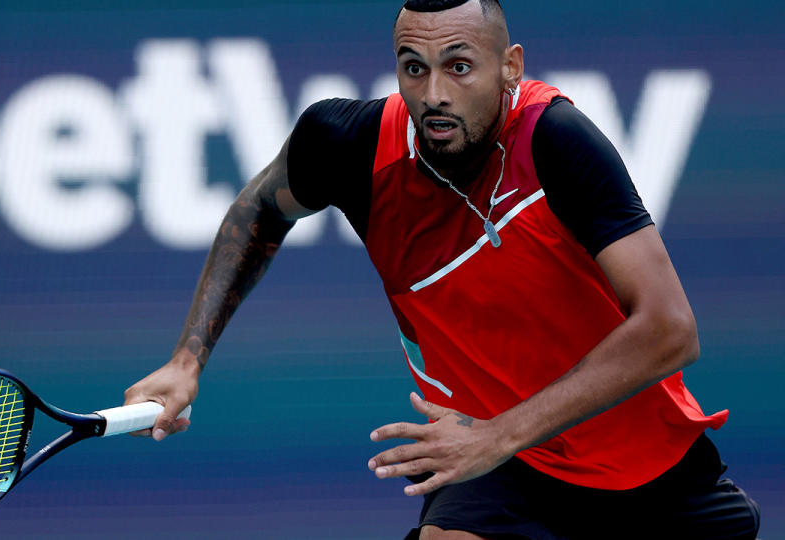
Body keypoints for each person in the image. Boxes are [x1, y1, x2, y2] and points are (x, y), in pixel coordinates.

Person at [121, 0, 761, 538]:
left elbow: (670, 329)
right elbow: (259, 210)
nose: (434, 95)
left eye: (460, 67)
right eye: (413, 68)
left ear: (509, 67)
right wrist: (187, 360)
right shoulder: (348, 146)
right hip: (493, 462)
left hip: (640, 462)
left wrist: (499, 436)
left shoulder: (557, 141)